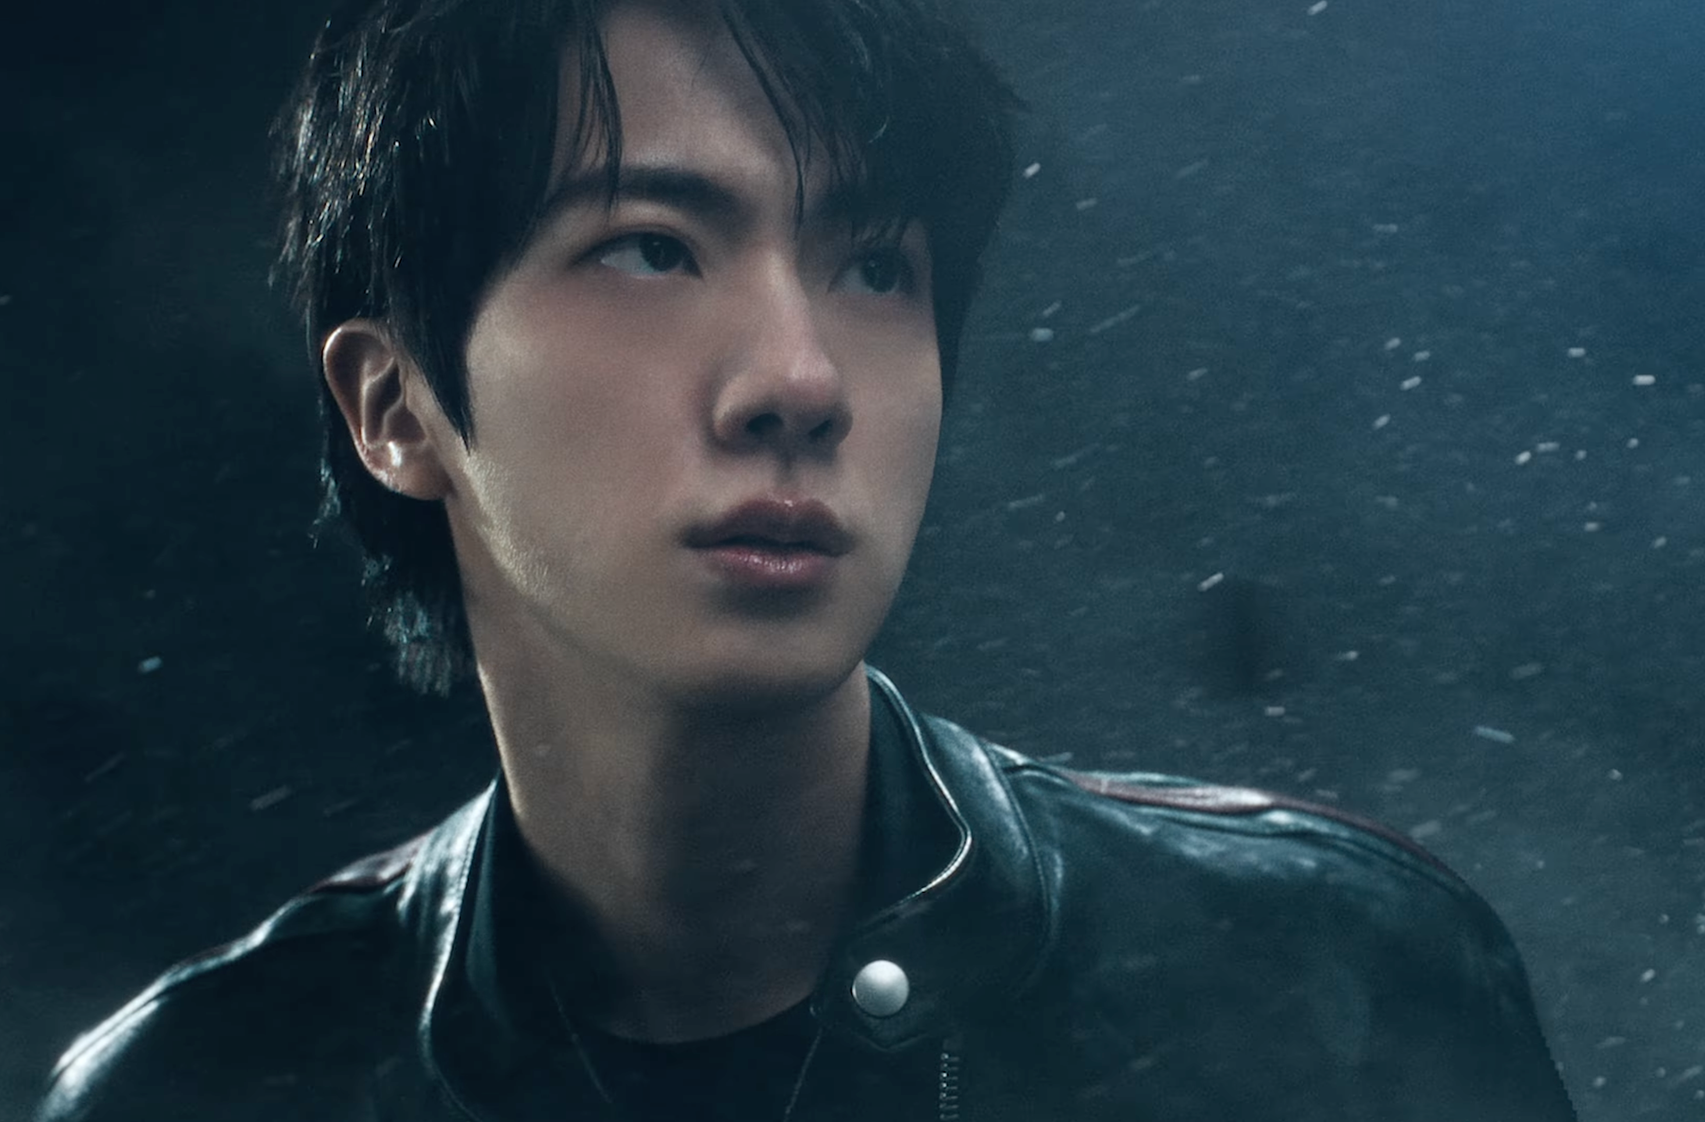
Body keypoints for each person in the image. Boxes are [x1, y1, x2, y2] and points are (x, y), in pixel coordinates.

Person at [32, 0, 1579, 1118]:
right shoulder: (203, 1088)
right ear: (395, 407)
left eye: (874, 266)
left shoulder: (1325, 980)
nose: (799, 377)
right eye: (652, 245)